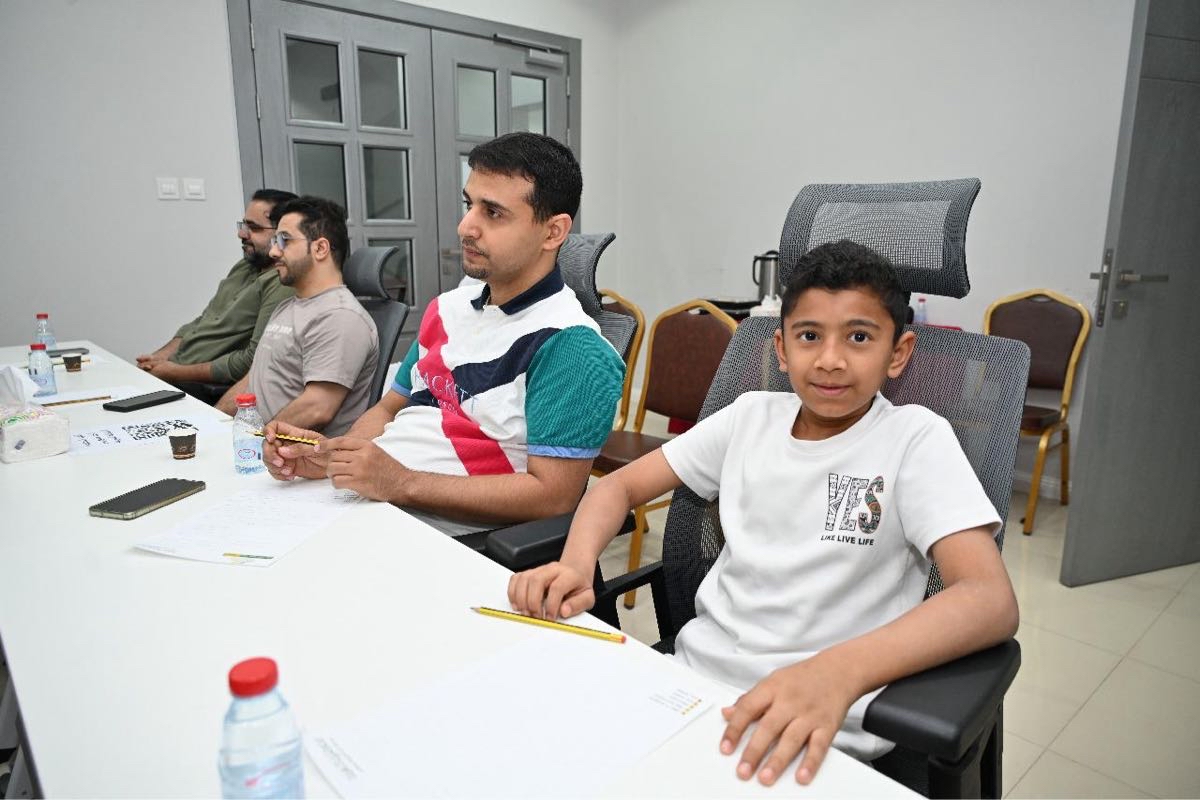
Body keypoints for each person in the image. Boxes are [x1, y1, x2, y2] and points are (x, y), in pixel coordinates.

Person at [507, 240, 1019, 786]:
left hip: (815, 723)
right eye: (809, 336)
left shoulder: (914, 439)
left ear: (898, 352)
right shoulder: (750, 417)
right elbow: (618, 487)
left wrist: (839, 673)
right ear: (781, 347)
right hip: (692, 689)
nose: (830, 359)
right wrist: (576, 563)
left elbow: (988, 599)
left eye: (859, 337)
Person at [261, 132, 624, 537]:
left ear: (553, 232)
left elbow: (553, 497)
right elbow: (387, 410)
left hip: (444, 539)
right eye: (470, 205)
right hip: (375, 507)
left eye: (493, 213)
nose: (465, 227)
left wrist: (400, 481)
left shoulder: (572, 346)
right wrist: (335, 458)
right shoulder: (447, 310)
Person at [223, 195, 378, 437]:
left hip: (293, 455)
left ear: (320, 248)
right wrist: (213, 423)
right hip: (256, 444)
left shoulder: (340, 317)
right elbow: (252, 381)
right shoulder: (288, 306)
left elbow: (317, 408)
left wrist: (258, 441)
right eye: (274, 241)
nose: (273, 251)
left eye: (284, 240)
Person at [137, 189, 297, 412]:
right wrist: (157, 359)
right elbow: (204, 320)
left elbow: (252, 360)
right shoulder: (245, 265)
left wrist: (172, 371)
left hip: (202, 388)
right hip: (173, 372)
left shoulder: (281, 283)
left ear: (282, 235)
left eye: (254, 228)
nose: (242, 234)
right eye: (243, 225)